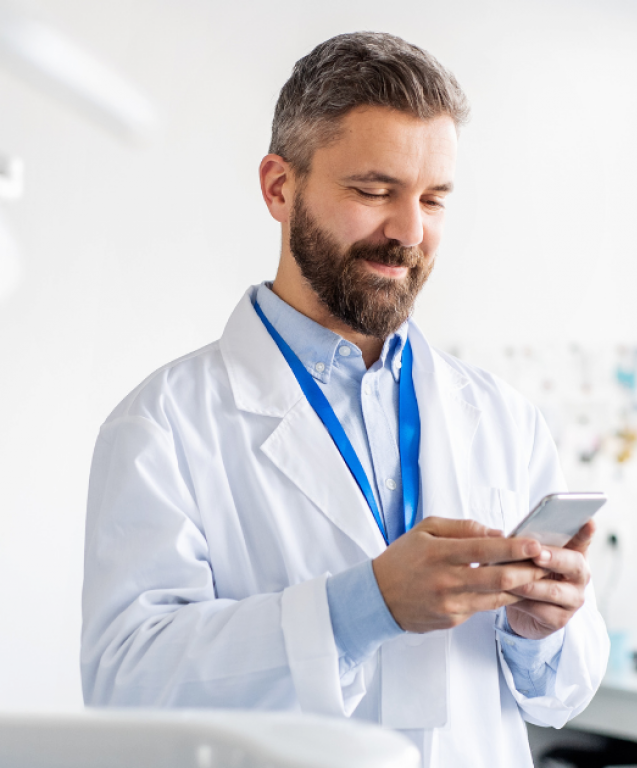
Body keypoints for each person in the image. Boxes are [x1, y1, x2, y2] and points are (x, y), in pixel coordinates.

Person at [81, 32, 609, 768]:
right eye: (373, 191)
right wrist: (360, 610)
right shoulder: (164, 425)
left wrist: (543, 627)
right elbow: (126, 686)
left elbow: (563, 695)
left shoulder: (502, 418)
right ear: (278, 187)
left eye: (433, 198)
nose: (409, 232)